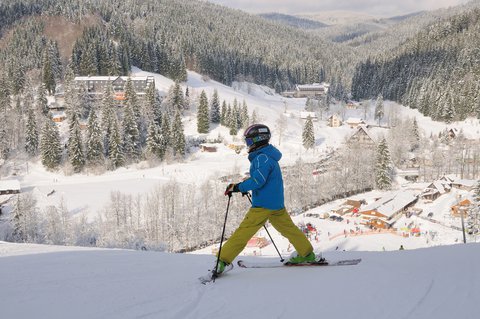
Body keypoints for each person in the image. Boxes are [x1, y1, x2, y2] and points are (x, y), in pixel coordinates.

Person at [215, 124, 316, 274]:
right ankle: (307, 254)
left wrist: (238, 187)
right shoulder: (267, 155)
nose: (247, 144)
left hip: (263, 205)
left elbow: (258, 181)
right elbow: (262, 179)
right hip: (276, 204)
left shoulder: (261, 158)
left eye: (248, 141)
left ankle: (222, 261)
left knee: (243, 232)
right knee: (289, 229)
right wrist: (245, 186)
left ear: (258, 140)